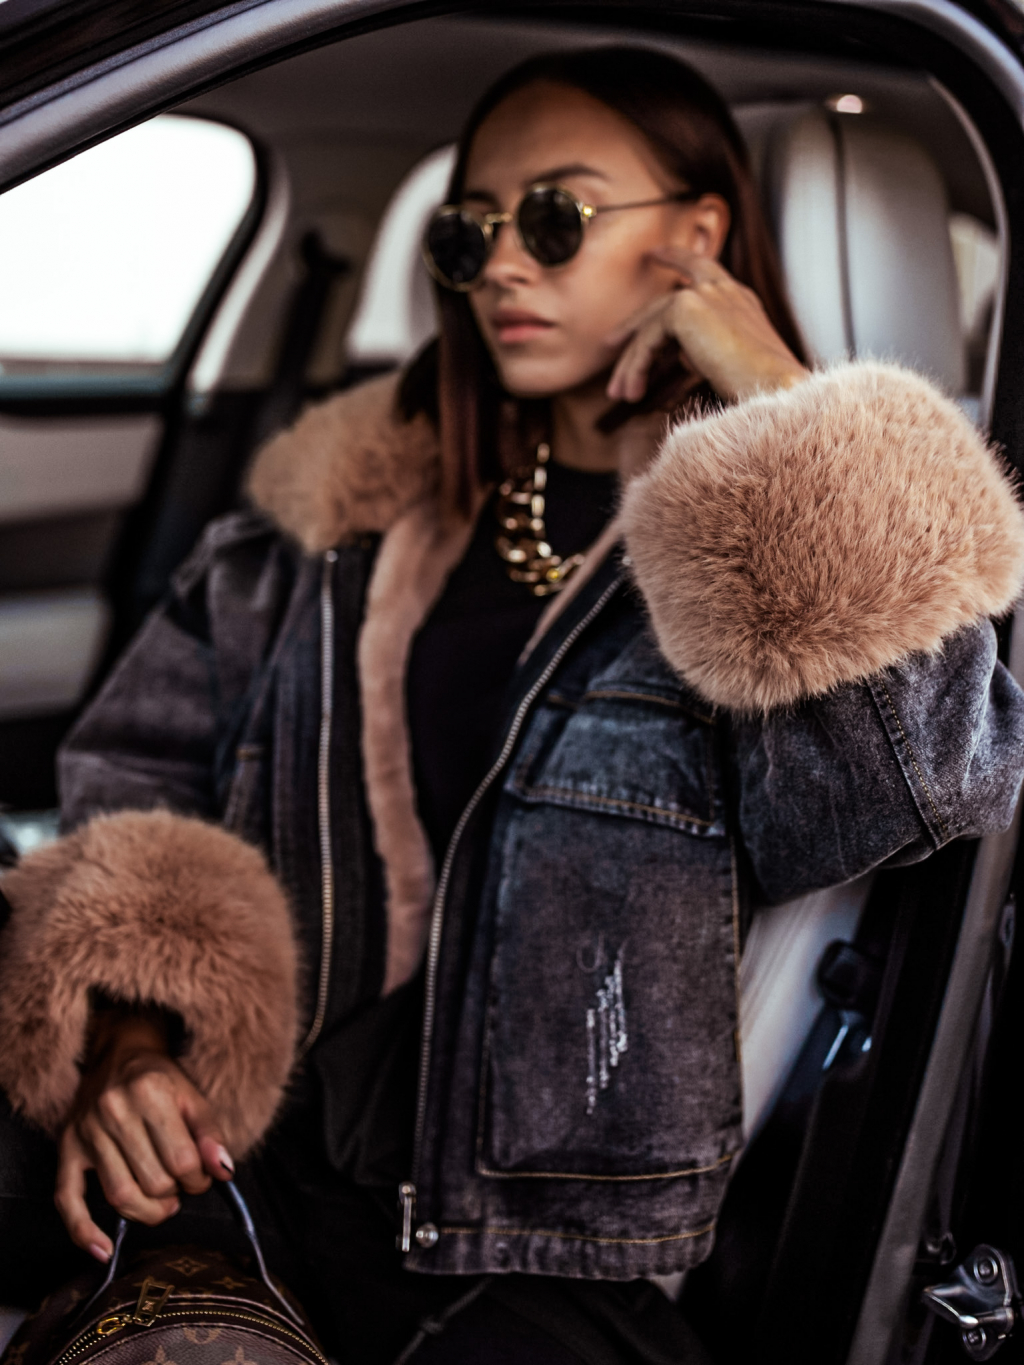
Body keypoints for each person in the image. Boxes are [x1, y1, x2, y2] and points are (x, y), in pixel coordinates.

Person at [3, 45, 1024, 1365]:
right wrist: (127, 1043)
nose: (498, 266)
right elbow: (141, 792)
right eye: (468, 231)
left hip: (533, 1259)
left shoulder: (757, 567)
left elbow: (932, 777)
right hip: (246, 1162)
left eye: (554, 217)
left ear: (698, 238)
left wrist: (782, 396)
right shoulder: (324, 535)